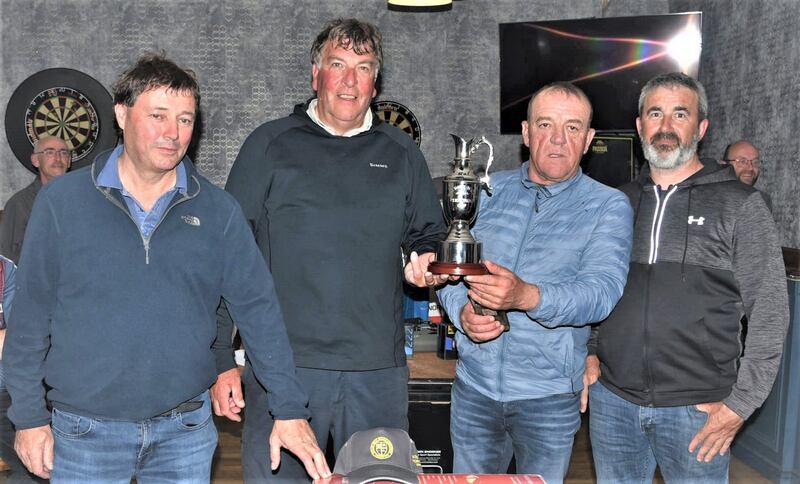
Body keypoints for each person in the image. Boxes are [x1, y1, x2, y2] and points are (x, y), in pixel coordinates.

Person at [3, 52, 330, 482]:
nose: (172, 133)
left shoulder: (219, 211)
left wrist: (289, 409)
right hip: (84, 433)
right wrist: (27, 417)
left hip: (185, 433)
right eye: (158, 115)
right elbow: (29, 318)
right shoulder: (61, 204)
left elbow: (259, 311)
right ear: (122, 114)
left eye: (185, 120)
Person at [211, 18, 447, 482]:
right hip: (285, 373)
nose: (349, 80)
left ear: (375, 83)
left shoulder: (401, 153)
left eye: (362, 68)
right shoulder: (269, 145)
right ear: (315, 73)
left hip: (377, 372)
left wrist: (425, 260)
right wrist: (220, 359)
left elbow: (429, 235)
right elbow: (227, 258)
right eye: (337, 65)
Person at [586, 72, 788, 483]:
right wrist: (589, 351)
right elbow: (594, 289)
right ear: (640, 126)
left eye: (680, 114)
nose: (665, 126)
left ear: (701, 128)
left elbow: (770, 311)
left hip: (698, 412)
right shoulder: (616, 203)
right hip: (613, 403)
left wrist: (740, 405)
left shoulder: (741, 205)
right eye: (655, 113)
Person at [436, 82, 633, 484]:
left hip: (548, 398)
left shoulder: (608, 205)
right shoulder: (488, 192)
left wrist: (528, 296)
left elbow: (602, 293)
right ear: (526, 133)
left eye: (573, 127)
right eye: (545, 124)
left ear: (589, 139)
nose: (558, 139)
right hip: (474, 390)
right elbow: (451, 270)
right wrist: (462, 313)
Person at [0, 136, 71, 264]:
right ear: (35, 160)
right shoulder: (19, 204)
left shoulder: (81, 200)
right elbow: (8, 260)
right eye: (49, 152)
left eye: (63, 152)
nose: (58, 158)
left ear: (69, 161)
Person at [720, 139, 772, 209]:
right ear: (724, 165)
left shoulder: (762, 200)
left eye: (755, 162)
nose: (750, 168)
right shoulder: (708, 197)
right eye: (742, 161)